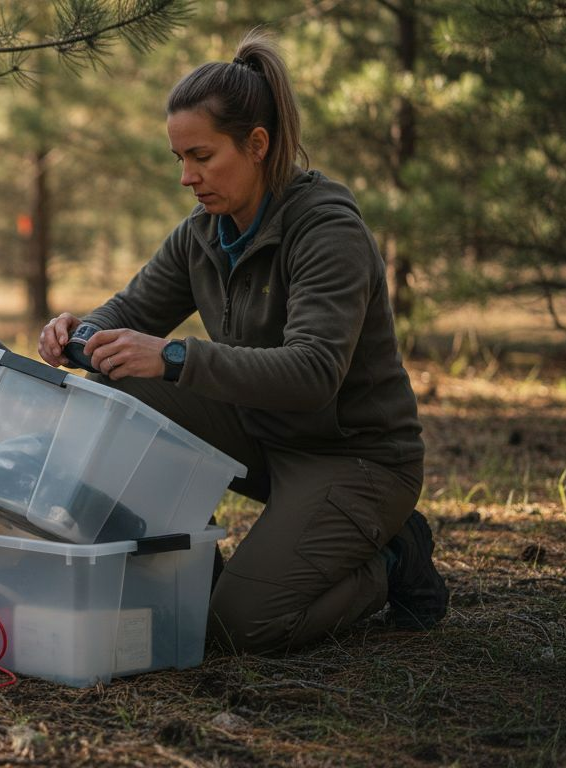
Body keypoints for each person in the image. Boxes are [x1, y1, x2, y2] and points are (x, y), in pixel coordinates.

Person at [37, 29, 448, 654]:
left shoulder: (327, 230)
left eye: (201, 156)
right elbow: (131, 311)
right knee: (119, 376)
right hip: (265, 437)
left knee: (240, 626)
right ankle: (192, 567)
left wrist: (174, 356)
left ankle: (392, 561)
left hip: (355, 459)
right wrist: (79, 329)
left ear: (257, 144)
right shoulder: (202, 232)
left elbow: (314, 372)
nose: (187, 177)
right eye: (179, 158)